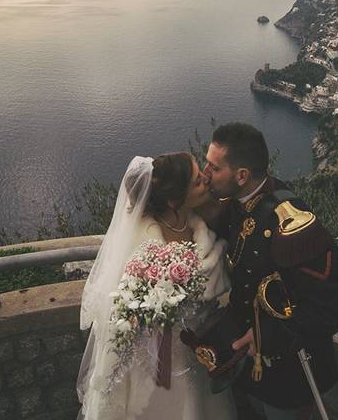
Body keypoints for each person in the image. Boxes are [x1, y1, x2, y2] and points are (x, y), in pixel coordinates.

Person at [202, 123, 338, 420]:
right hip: (247, 368)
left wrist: (269, 336)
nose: (205, 173)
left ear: (242, 175)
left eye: (213, 167)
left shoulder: (291, 224)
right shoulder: (236, 205)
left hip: (289, 376)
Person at [77, 153, 239, 420]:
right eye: (198, 181)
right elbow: (123, 311)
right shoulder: (140, 245)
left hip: (196, 349)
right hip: (150, 359)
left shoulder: (200, 221)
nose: (206, 181)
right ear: (175, 200)